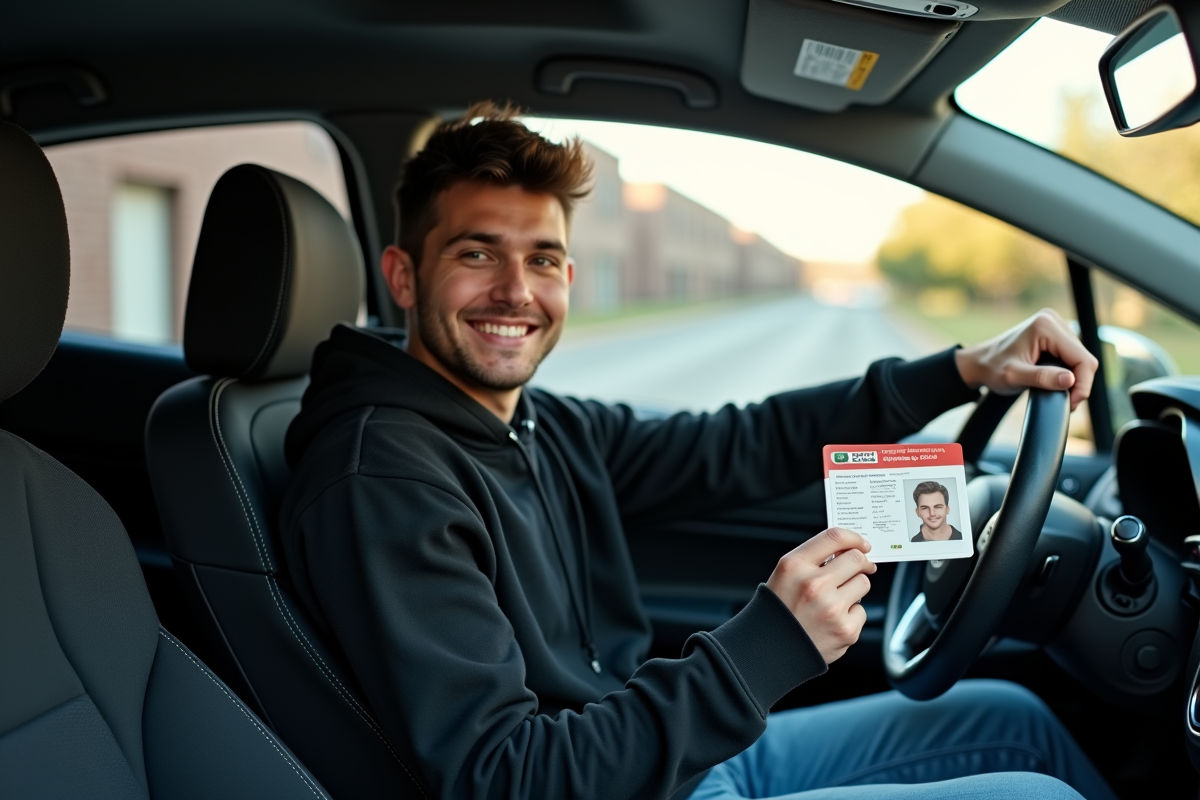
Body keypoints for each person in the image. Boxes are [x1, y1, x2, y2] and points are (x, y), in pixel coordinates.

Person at [279, 102, 1114, 800]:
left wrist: (962, 370)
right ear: (402, 276)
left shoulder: (531, 422)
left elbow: (740, 443)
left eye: (541, 259)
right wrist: (767, 645)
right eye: (475, 254)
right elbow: (503, 776)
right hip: (613, 779)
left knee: (1010, 718)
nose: (515, 290)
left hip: (659, 759)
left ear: (569, 276)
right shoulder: (383, 477)